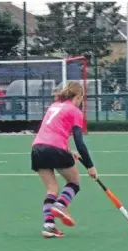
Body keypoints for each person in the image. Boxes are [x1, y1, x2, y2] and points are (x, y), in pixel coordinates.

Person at [31, 81, 98, 238]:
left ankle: (48, 226)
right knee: (74, 182)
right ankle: (60, 205)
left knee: (52, 189)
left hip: (37, 148)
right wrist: (90, 166)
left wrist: (67, 150)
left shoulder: (54, 106)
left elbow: (51, 131)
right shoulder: (74, 111)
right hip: (55, 149)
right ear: (78, 96)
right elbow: (80, 142)